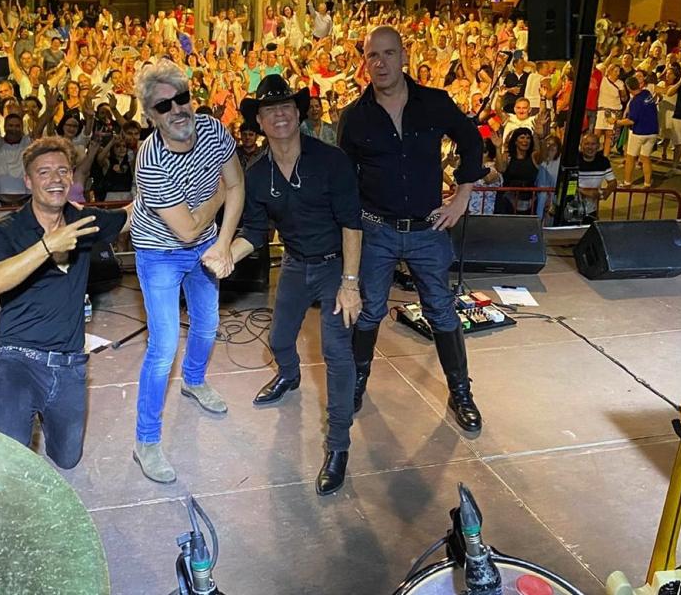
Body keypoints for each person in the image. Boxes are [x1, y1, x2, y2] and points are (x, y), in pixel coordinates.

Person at [338, 26, 485, 433]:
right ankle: (355, 384)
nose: (381, 62)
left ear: (404, 56)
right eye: (373, 56)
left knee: (441, 308)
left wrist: (462, 196)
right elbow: (345, 183)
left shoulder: (434, 103)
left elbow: (472, 141)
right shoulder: (354, 117)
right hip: (376, 230)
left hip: (427, 229)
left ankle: (461, 392)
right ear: (364, 62)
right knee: (368, 311)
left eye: (388, 53)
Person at [229, 75, 362, 495]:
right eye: (270, 110)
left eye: (286, 106)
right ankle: (289, 376)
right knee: (279, 338)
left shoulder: (331, 160)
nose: (279, 114)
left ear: (298, 113)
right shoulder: (256, 173)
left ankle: (338, 445)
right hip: (293, 264)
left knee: (337, 354)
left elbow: (351, 225)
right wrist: (224, 255)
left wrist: (350, 283)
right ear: (261, 122)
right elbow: (253, 231)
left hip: (335, 265)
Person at [0, 137, 131, 468]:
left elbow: (131, 216)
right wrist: (48, 246)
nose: (56, 179)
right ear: (28, 181)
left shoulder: (83, 222)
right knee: (9, 454)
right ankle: (21, 417)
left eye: (63, 171)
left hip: (69, 362)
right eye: (44, 172)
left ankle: (47, 415)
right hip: (17, 355)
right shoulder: (7, 231)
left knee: (67, 459)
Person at [130, 63, 244, 483]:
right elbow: (188, 226)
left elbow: (238, 185)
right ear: (151, 116)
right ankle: (146, 441)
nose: (177, 109)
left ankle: (194, 381)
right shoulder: (151, 159)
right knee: (162, 348)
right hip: (160, 251)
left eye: (182, 99)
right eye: (164, 105)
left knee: (209, 323)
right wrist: (218, 199)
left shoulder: (213, 130)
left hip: (207, 245)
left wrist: (224, 242)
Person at [617, 74, 659, 187]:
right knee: (645, 158)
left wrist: (617, 122)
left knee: (630, 157)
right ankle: (647, 183)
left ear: (628, 88)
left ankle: (627, 182)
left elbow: (631, 121)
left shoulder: (635, 101)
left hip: (639, 132)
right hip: (653, 131)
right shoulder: (647, 94)